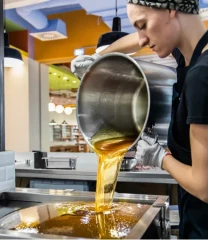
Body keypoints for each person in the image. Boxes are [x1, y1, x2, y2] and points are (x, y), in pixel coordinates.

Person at [71, 0, 208, 238]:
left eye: (143, 25)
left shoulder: (201, 76)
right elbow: (133, 42)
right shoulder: (190, 54)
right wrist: (99, 56)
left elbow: (204, 186)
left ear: (171, 10)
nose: (142, 39)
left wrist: (160, 158)